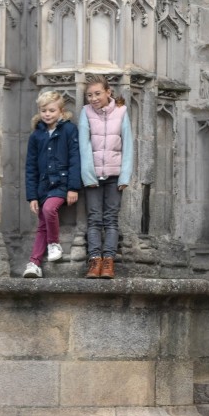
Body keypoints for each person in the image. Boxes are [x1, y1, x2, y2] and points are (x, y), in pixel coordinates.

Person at [79, 73, 134, 279]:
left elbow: (128, 145)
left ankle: (109, 261)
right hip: (93, 176)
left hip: (114, 175)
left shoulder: (121, 111)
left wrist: (125, 176)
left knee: (111, 220)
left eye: (97, 93)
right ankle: (95, 261)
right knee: (94, 219)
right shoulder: (86, 112)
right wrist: (88, 175)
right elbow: (84, 145)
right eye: (89, 95)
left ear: (108, 92)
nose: (93, 98)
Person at [23, 90, 81, 278]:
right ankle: (34, 263)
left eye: (51, 110)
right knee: (41, 224)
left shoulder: (69, 130)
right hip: (42, 187)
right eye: (43, 110)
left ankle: (54, 243)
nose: (47, 114)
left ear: (61, 111)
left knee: (49, 210)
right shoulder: (36, 135)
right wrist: (32, 196)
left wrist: (73, 187)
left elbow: (75, 159)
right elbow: (30, 166)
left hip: (62, 185)